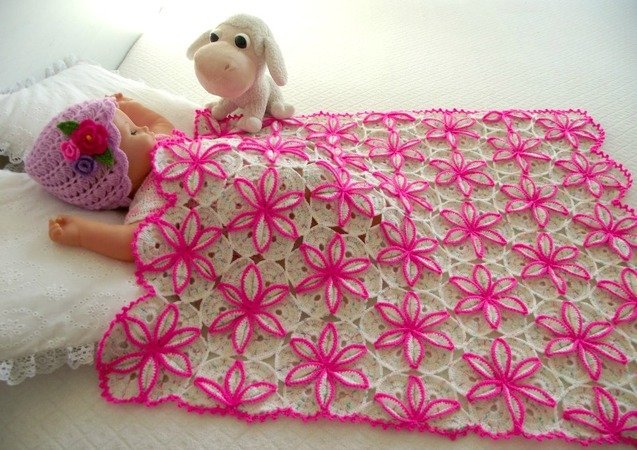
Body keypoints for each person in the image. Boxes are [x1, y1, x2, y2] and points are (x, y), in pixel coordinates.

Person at [25, 94, 174, 262]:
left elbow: (159, 122)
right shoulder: (150, 198)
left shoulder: (163, 142)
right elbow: (135, 241)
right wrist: (82, 234)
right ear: (115, 178)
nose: (145, 128)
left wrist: (126, 106)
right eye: (134, 131)